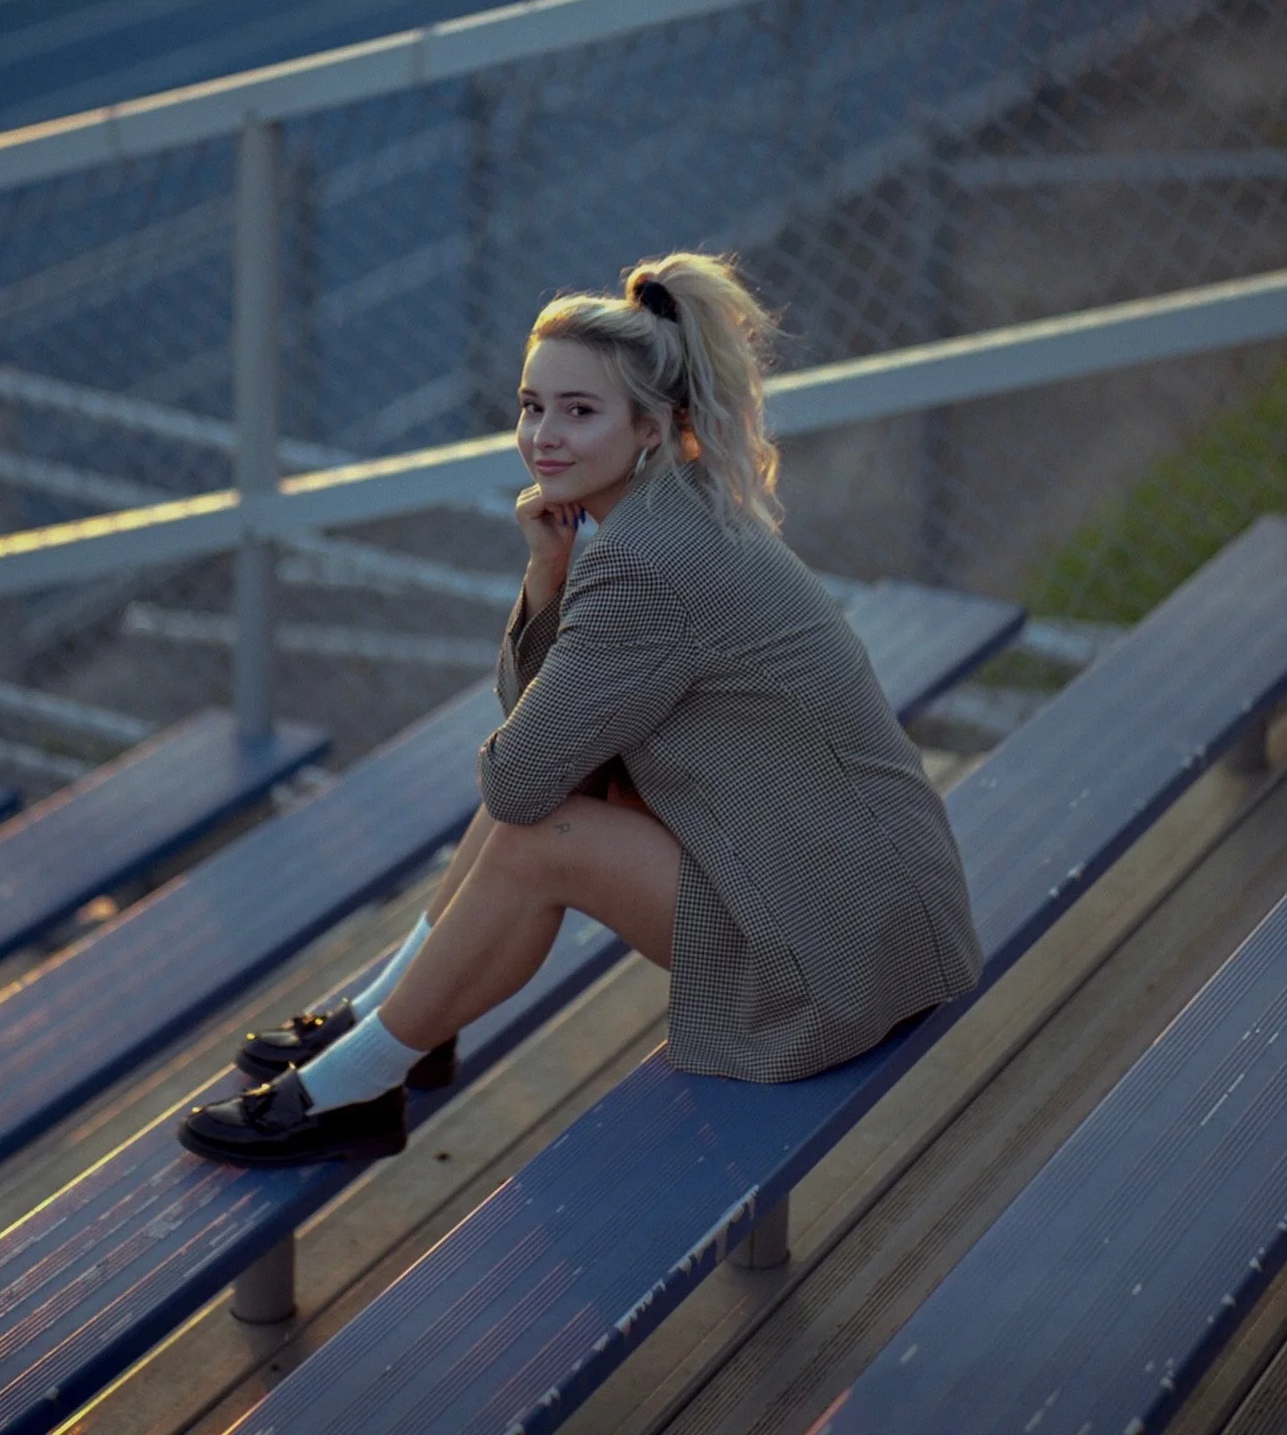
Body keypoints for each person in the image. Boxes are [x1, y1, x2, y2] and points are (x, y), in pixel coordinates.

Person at [179, 253, 982, 1167]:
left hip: (833, 955)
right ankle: (396, 1021)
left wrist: (557, 593)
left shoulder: (645, 560)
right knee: (552, 795)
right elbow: (547, 743)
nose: (544, 437)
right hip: (873, 905)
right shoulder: (673, 510)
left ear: (651, 426)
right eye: (532, 406)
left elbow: (522, 780)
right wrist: (546, 574)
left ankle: (354, 1086)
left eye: (580, 411)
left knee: (538, 833)